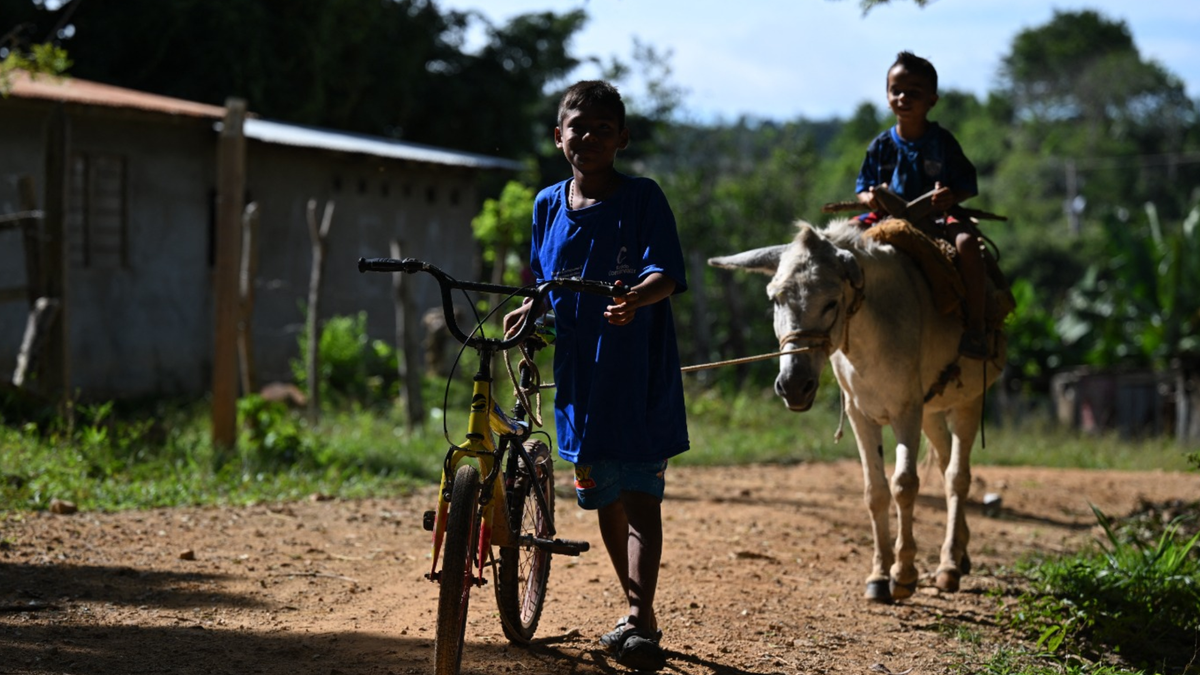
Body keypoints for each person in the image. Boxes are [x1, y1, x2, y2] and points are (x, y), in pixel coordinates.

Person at [502, 80, 689, 672]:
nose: (588, 137)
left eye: (602, 128)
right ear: (559, 137)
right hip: (581, 376)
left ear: (622, 140)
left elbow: (667, 272)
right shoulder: (547, 204)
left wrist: (637, 297)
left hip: (636, 372)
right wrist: (530, 309)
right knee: (602, 494)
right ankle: (639, 614)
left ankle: (639, 616)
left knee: (639, 494)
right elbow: (544, 283)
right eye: (577, 127)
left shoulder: (642, 198)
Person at [854, 51, 990, 360]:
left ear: (932, 99)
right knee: (841, 239)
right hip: (886, 216)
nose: (902, 97)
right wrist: (872, 197)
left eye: (913, 92)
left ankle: (977, 328)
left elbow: (967, 183)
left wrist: (950, 197)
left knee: (968, 244)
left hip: (937, 216)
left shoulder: (943, 142)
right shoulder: (880, 145)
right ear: (887, 95)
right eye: (895, 90)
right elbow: (862, 188)